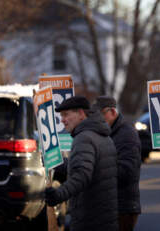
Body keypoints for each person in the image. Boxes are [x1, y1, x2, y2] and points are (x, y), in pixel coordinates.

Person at [44, 95, 118, 231]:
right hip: (105, 217)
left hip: (90, 220)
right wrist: (57, 164)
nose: (62, 120)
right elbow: (90, 168)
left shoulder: (83, 138)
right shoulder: (102, 136)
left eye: (66, 115)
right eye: (61, 116)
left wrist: (58, 195)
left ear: (81, 114)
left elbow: (82, 175)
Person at [92, 96, 142, 231]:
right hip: (108, 205)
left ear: (113, 112)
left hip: (123, 207)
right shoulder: (107, 132)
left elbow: (127, 171)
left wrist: (95, 169)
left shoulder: (127, 134)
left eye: (100, 115)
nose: (97, 120)